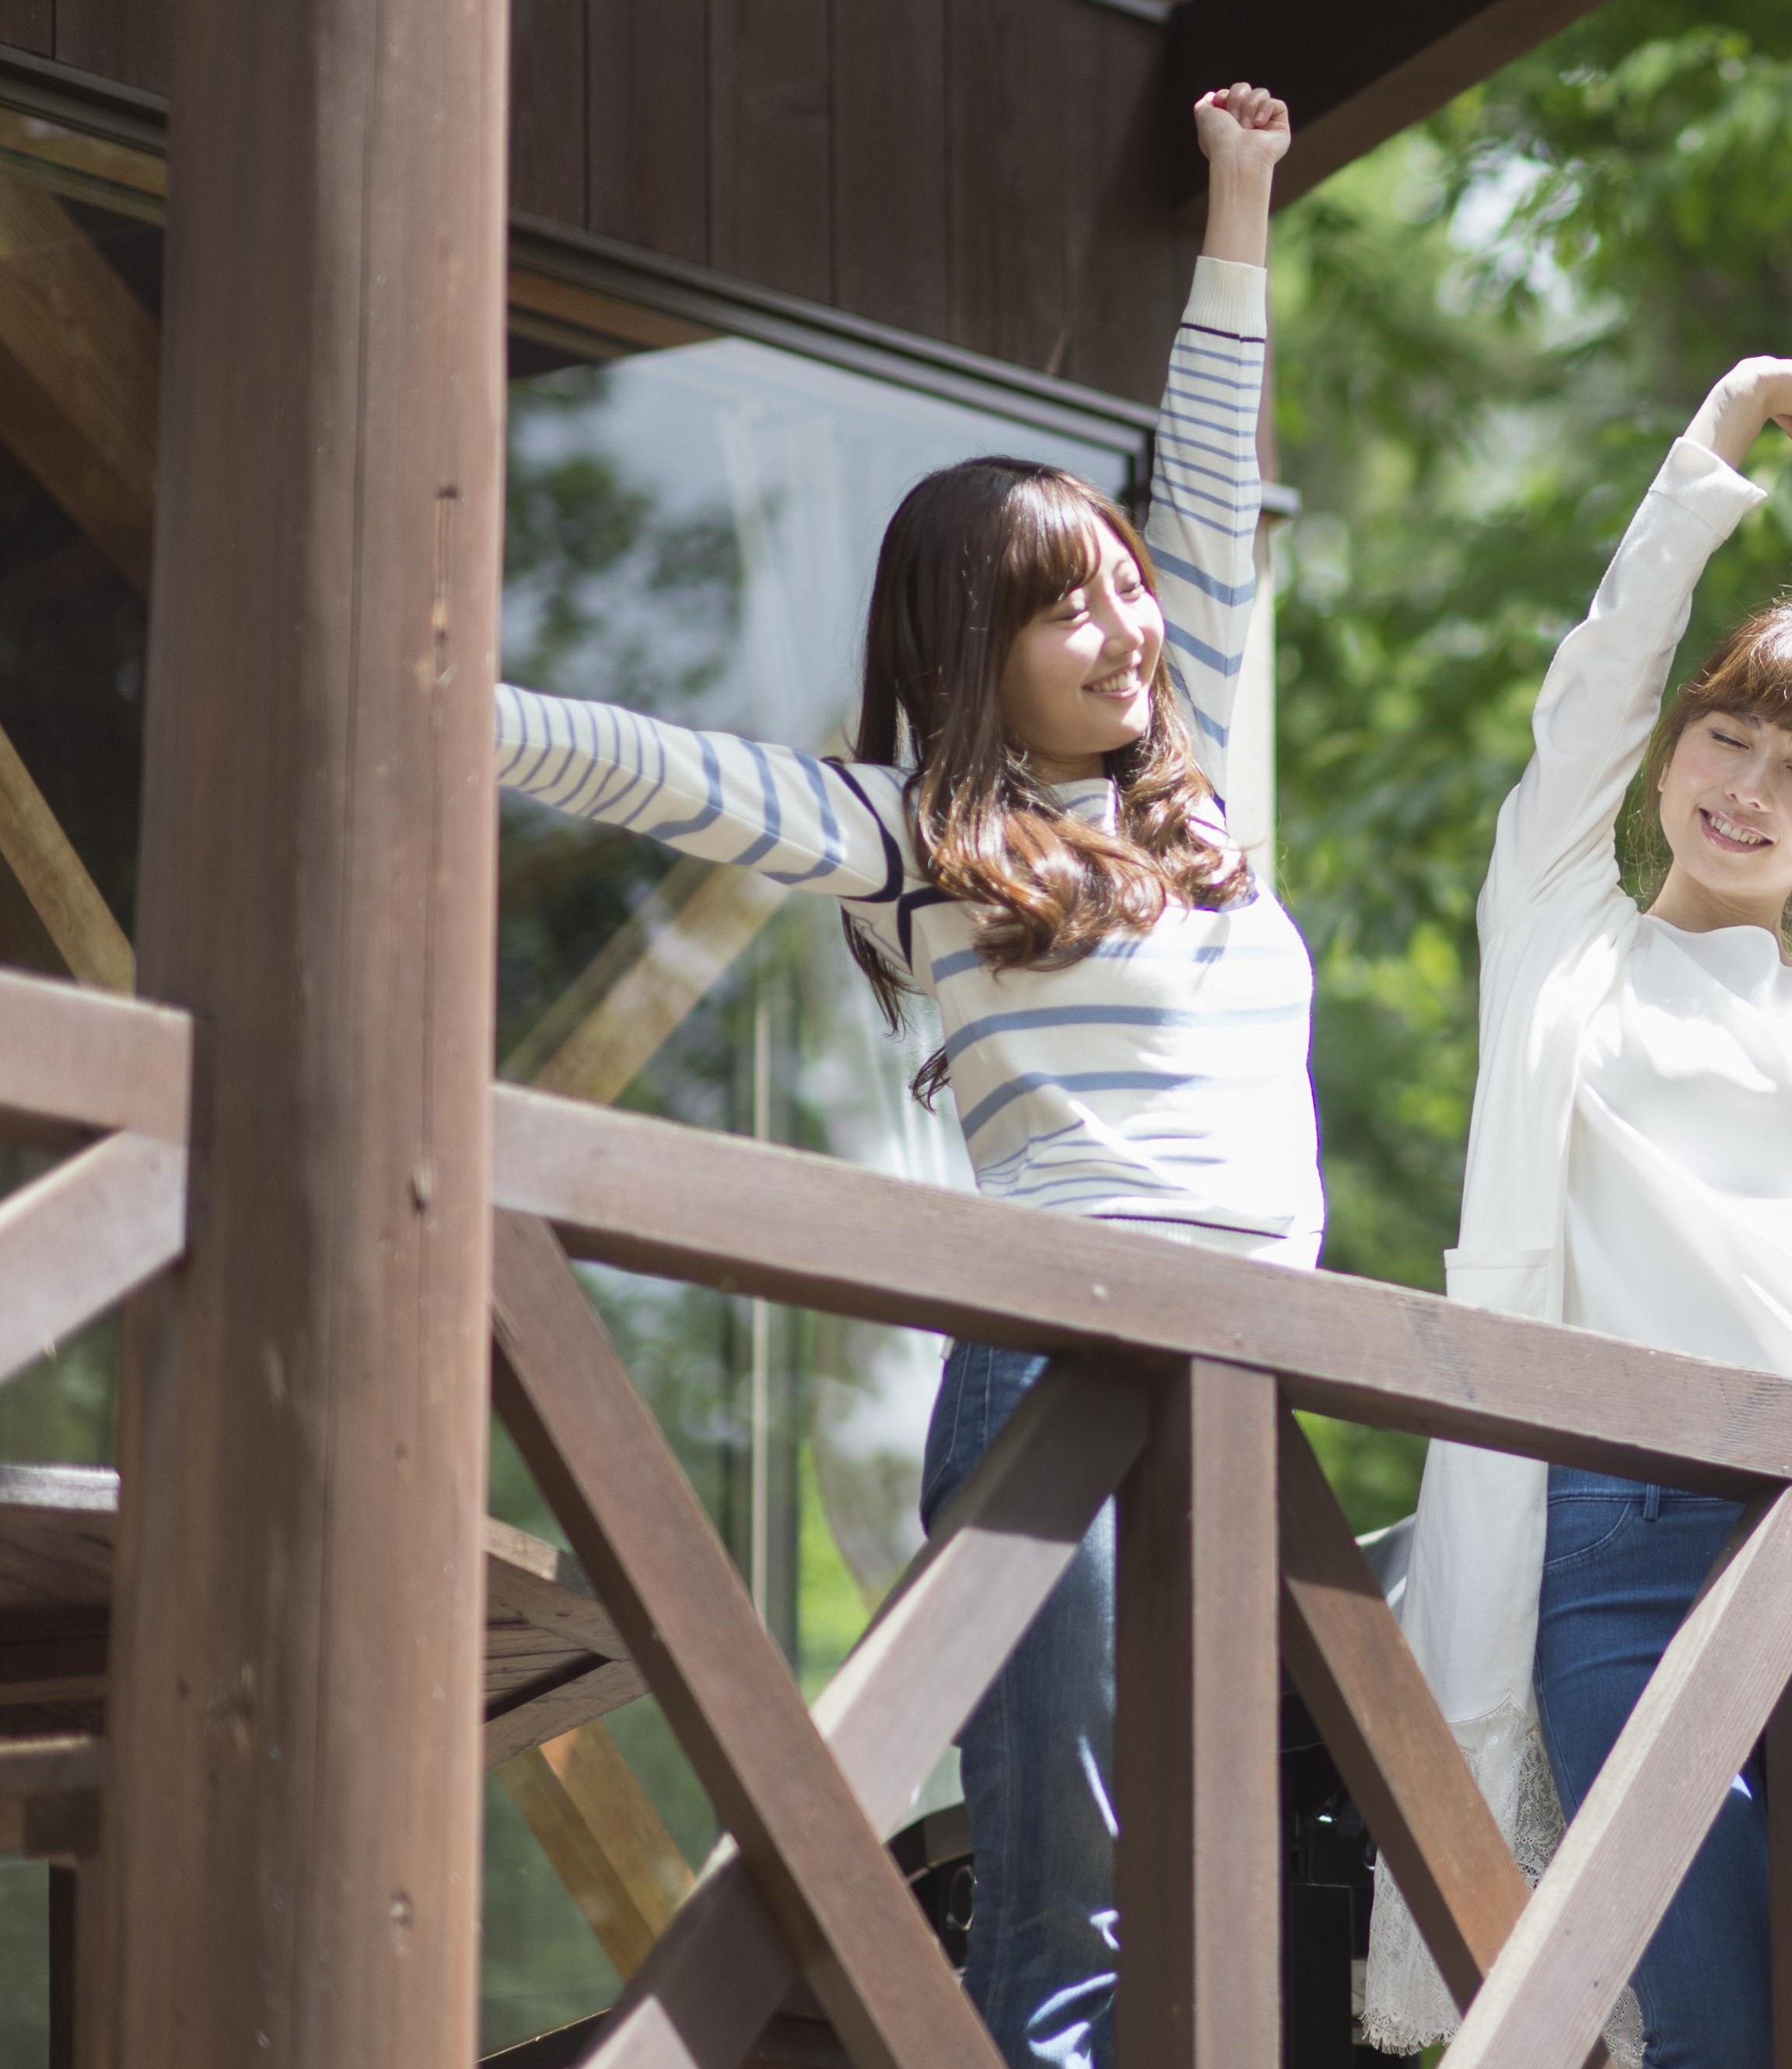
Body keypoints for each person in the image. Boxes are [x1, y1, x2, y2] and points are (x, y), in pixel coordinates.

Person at [490, 82, 1306, 2069]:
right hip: (1067, 1380)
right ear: (973, 652)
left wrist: (1236, 205)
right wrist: (436, 680)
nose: (1122, 624)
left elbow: (1203, 482)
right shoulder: (927, 832)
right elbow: (661, 771)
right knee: (1081, 1908)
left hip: (1252, 1380)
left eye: (1117, 585)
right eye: (1060, 608)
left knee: (1258, 1891)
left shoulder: (1185, 780)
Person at [1366, 354, 1792, 2067]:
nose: (1747, 787)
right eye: (1725, 738)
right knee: (1716, 2026)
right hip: (1617, 1546)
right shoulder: (1566, 942)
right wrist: (1721, 434)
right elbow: (1593, 681)